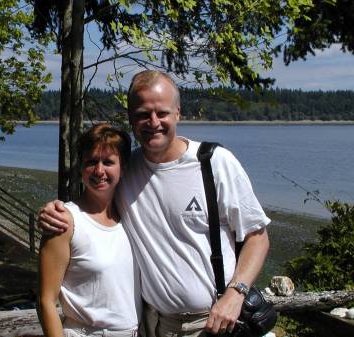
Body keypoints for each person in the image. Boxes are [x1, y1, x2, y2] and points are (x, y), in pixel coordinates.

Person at [38, 70, 270, 337]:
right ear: (131, 119)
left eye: (162, 113)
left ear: (178, 113)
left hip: (215, 322)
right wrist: (54, 209)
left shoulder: (214, 163)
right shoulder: (126, 169)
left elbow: (257, 236)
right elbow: (92, 201)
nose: (153, 122)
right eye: (142, 114)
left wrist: (235, 293)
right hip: (156, 326)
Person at [38, 123, 141, 337]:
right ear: (81, 167)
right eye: (92, 162)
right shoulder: (65, 221)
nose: (99, 171)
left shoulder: (131, 217)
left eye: (108, 162)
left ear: (123, 169)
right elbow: (46, 300)